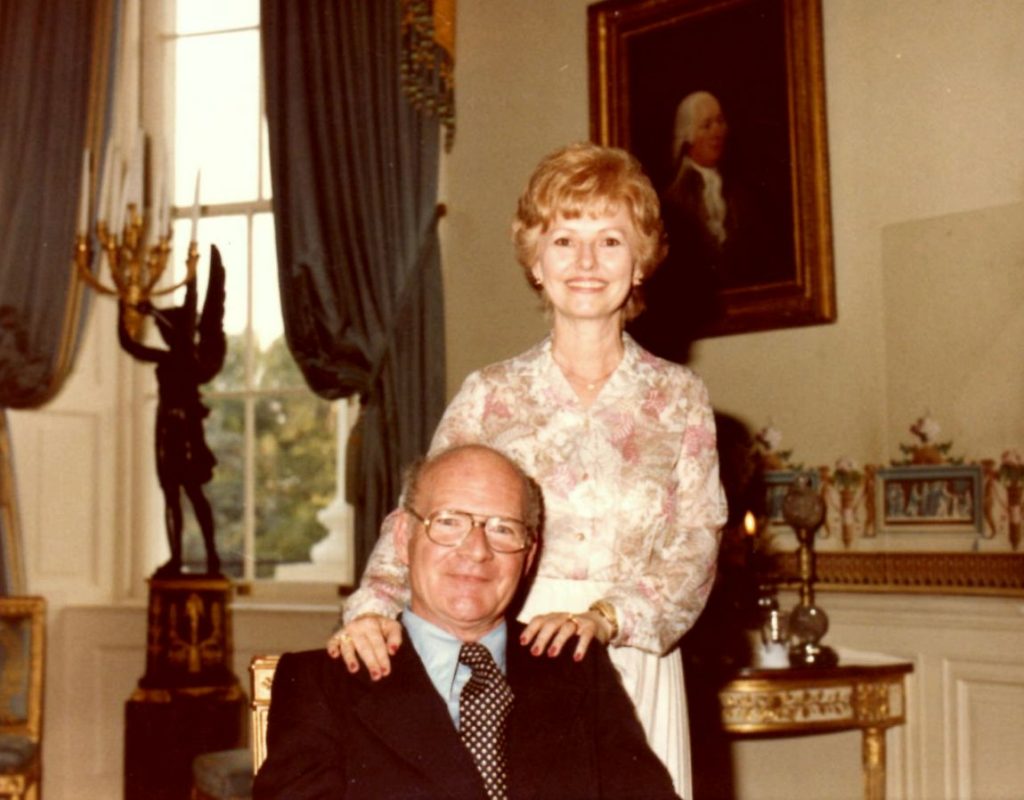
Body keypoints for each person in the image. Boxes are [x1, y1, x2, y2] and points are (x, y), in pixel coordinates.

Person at [328, 142, 728, 797]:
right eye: (564, 240)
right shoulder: (490, 394)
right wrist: (373, 608)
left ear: (641, 263)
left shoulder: (679, 398)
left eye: (610, 241)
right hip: (513, 659)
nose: (587, 263)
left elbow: (697, 543)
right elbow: (425, 520)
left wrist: (605, 618)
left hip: (632, 653)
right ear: (536, 261)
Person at [255, 444, 679, 800]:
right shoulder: (322, 683)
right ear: (403, 538)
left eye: (503, 529)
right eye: (450, 522)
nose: (476, 550)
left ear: (529, 556)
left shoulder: (575, 667)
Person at [118, 245, 226, 577]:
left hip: (186, 432)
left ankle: (211, 559)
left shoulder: (190, 358)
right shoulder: (167, 359)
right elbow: (129, 344)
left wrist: (191, 282)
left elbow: (181, 330)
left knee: (192, 494)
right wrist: (122, 306)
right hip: (166, 429)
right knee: (170, 496)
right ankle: (176, 558)